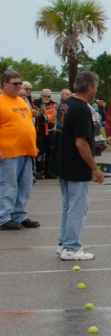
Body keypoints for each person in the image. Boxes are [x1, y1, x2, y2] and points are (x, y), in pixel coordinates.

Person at [55, 71, 105, 260]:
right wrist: (95, 168)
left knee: (68, 205)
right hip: (76, 165)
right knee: (77, 207)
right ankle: (71, 247)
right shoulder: (83, 109)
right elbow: (81, 143)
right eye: (96, 86)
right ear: (90, 87)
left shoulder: (64, 104)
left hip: (63, 162)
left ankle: (64, 242)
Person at [0, 70, 40, 230]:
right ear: (4, 84)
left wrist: (33, 144)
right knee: (8, 186)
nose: (19, 86)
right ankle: (3, 216)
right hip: (9, 152)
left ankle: (19, 215)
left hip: (26, 151)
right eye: (15, 83)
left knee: (24, 186)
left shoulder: (21, 101)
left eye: (20, 83)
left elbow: (28, 124)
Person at [33, 89, 57, 179]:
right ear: (41, 95)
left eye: (48, 96)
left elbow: (51, 117)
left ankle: (48, 172)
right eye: (44, 96)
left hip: (49, 131)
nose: (46, 98)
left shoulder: (53, 104)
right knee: (39, 152)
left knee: (49, 152)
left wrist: (40, 115)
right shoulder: (35, 102)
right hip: (38, 131)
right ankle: (39, 171)